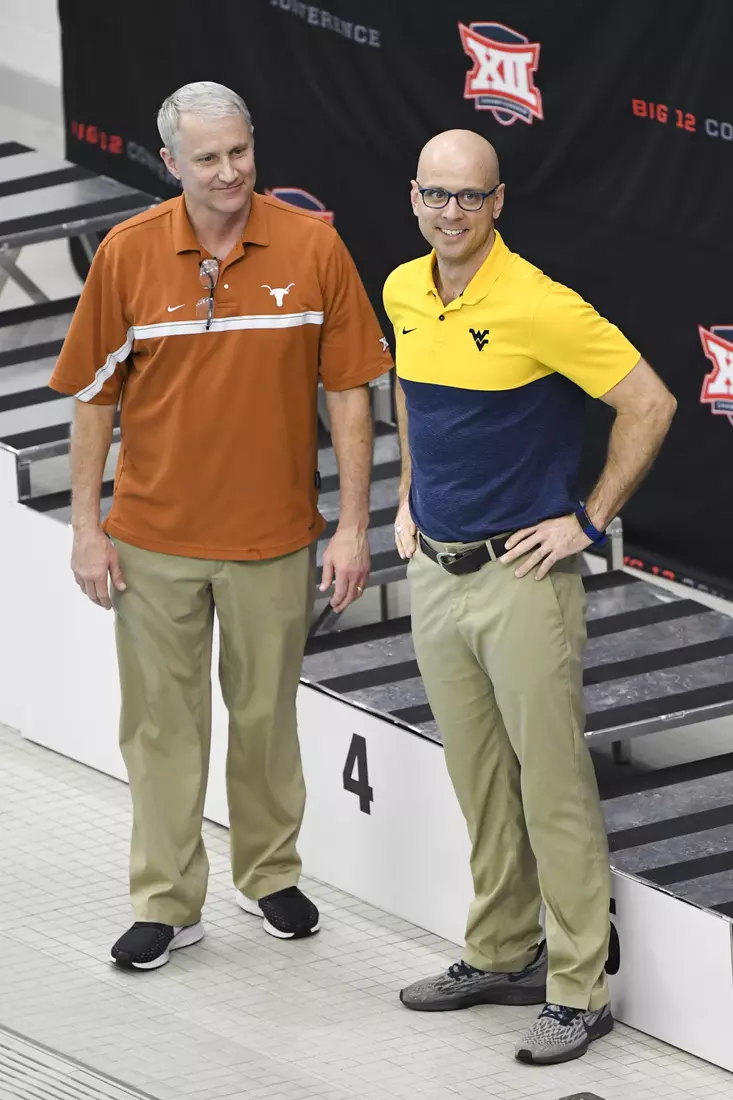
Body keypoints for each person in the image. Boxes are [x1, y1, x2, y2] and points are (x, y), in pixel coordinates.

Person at [49, 81, 391, 971]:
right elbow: (92, 400)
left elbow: (350, 393)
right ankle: (167, 902)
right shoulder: (126, 256)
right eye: (207, 158)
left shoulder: (314, 248)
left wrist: (353, 526)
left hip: (275, 541)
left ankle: (270, 875)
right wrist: (88, 527)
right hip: (151, 542)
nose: (230, 170)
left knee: (266, 718)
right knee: (161, 727)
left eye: (239, 151)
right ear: (170, 165)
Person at [383, 130, 676, 1065]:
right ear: (415, 197)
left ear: (497, 202)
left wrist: (584, 523)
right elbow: (409, 390)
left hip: (522, 581)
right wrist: (404, 495)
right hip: (435, 571)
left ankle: (577, 988)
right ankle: (502, 951)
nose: (450, 213)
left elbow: (651, 403)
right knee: (478, 778)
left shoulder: (539, 304)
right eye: (435, 195)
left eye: (468, 197)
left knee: (550, 788)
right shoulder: (403, 289)